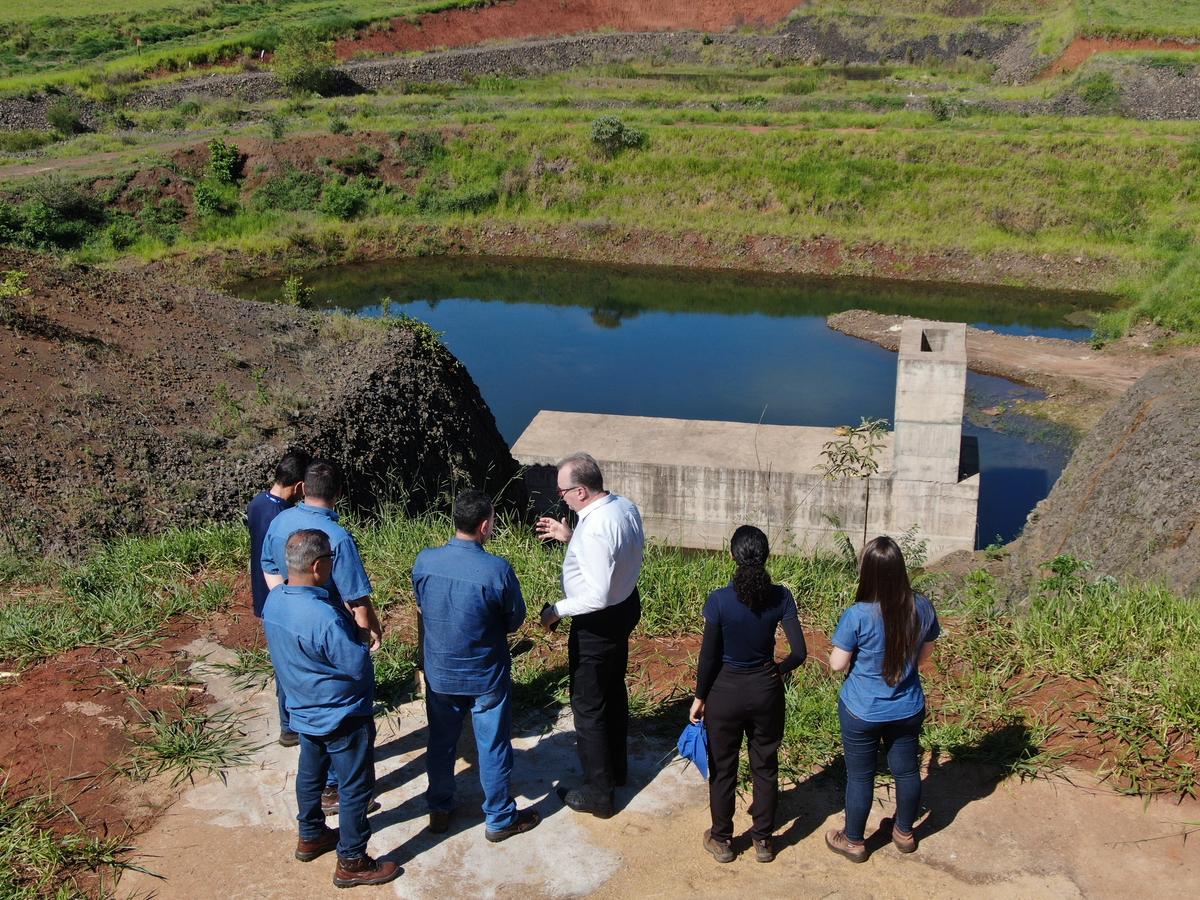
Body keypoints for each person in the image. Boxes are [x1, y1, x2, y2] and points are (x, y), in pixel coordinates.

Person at [262, 530, 399, 888]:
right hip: (342, 715)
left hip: (303, 710)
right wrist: (360, 637)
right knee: (355, 787)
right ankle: (352, 860)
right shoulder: (324, 616)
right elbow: (356, 666)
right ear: (319, 566)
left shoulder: (274, 602)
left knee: (311, 775)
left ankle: (310, 834)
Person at [412, 488, 541, 843]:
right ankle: (499, 817)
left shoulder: (425, 561)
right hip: (485, 675)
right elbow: (514, 620)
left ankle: (439, 807)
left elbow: (422, 604)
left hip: (440, 673)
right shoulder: (497, 570)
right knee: (494, 745)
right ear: (484, 526)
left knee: (440, 742)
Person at [261, 459, 383, 814]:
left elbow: (268, 566)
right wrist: (369, 630)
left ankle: (291, 730)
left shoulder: (281, 521)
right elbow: (355, 597)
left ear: (303, 488)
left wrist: (285, 601)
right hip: (327, 626)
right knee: (340, 705)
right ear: (339, 493)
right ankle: (335, 791)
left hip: (289, 622)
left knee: (298, 685)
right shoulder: (338, 538)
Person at [688, 525, 808, 864]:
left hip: (724, 694)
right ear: (766, 556)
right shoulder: (781, 597)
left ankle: (723, 839)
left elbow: (708, 657)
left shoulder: (719, 599)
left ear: (732, 556)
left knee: (723, 767)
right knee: (765, 765)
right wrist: (776, 671)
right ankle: (763, 841)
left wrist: (700, 696)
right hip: (766, 691)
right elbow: (799, 652)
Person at [537, 452, 644, 819]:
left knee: (588, 705)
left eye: (563, 491)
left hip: (598, 622)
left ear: (581, 491)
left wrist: (555, 611)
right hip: (625, 607)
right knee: (613, 690)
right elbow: (610, 556)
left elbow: (596, 595)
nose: (560, 497)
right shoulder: (624, 507)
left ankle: (599, 793)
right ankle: (617, 771)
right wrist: (572, 537)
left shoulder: (595, 528)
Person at [826, 535, 941, 863]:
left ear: (869, 573)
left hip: (862, 709)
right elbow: (923, 658)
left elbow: (837, 664)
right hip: (907, 706)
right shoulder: (921, 606)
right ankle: (904, 832)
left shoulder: (858, 614)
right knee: (906, 771)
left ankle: (854, 841)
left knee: (861, 776)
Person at [246, 448, 310, 747]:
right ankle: (291, 725)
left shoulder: (257, 504)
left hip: (264, 596)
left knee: (282, 661)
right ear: (299, 486)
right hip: (284, 597)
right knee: (293, 665)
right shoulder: (285, 518)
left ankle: (290, 720)